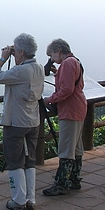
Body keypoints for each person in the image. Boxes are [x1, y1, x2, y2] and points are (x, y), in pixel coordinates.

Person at [0, 33, 44, 210]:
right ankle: (30, 198)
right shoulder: (39, 68)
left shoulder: (20, 71)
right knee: (29, 160)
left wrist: (3, 58)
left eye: (15, 50)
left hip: (16, 123)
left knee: (15, 161)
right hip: (33, 121)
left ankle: (18, 200)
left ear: (20, 51)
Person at [42, 39, 87, 196]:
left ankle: (61, 183)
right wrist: (57, 72)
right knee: (76, 146)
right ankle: (74, 178)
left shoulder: (67, 63)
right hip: (78, 107)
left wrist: (50, 99)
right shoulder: (75, 61)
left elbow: (67, 89)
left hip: (70, 109)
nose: (52, 59)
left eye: (52, 55)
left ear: (59, 50)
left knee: (66, 147)